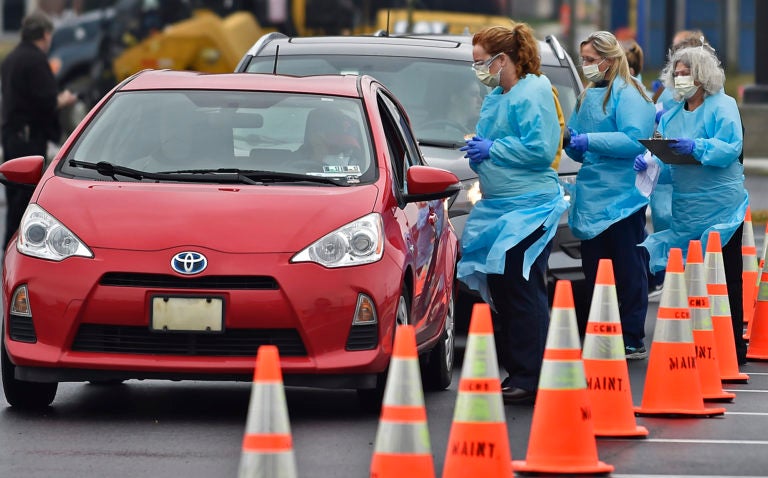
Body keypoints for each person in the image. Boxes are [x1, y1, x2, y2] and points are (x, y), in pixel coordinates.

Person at [456, 24, 568, 405]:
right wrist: (479, 151)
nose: (478, 70)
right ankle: (517, 370)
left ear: (502, 59)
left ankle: (530, 375)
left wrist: (493, 151)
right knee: (504, 286)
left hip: (530, 207)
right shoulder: (499, 96)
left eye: (480, 62)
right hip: (502, 206)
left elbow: (540, 149)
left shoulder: (533, 91)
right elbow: (500, 140)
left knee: (522, 287)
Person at [634, 44, 748, 364]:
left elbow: (729, 147)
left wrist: (696, 146)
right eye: (677, 73)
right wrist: (653, 168)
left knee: (726, 277)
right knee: (691, 280)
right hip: (687, 210)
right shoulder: (671, 116)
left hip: (723, 208)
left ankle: (732, 347)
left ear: (702, 76)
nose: (680, 79)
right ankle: (695, 344)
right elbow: (674, 169)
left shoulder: (723, 106)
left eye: (686, 74)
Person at [563, 31, 656, 359]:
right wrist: (572, 142)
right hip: (592, 197)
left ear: (609, 58)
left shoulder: (630, 93)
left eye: (590, 60)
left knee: (629, 269)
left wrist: (589, 141)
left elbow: (634, 140)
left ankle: (632, 335)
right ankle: (603, 329)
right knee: (596, 270)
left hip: (622, 199)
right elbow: (580, 148)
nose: (586, 66)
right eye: (583, 60)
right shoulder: (589, 95)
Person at [1, 10, 77, 246]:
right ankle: (18, 247)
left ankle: (8, 245)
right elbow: (44, 101)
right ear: (45, 34)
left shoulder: (11, 58)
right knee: (25, 199)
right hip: (29, 138)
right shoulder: (35, 60)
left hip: (11, 134)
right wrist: (63, 100)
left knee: (14, 194)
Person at [294, 106, 362, 169]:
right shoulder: (299, 156)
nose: (316, 134)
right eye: (314, 129)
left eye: (321, 129)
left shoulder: (353, 157)